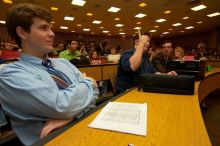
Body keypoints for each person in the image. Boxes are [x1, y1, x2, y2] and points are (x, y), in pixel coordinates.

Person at [0, 3, 99, 145]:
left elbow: (95, 95)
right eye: (43, 28)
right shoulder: (10, 75)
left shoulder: (64, 63)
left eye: (51, 28)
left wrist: (71, 116)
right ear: (22, 33)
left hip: (87, 132)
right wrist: (89, 82)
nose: (52, 33)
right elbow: (61, 105)